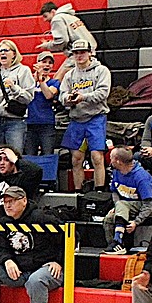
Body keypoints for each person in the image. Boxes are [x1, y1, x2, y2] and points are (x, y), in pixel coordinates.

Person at [59, 39, 112, 192]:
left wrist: (83, 97)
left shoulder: (101, 71)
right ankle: (78, 191)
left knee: (97, 156)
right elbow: (62, 96)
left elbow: (103, 93)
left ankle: (99, 190)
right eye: (76, 53)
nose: (79, 55)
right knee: (76, 158)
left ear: (90, 53)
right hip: (76, 120)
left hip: (96, 118)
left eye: (82, 52)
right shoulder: (69, 75)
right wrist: (68, 99)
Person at [103, 147, 152, 255]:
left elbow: (148, 205)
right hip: (126, 206)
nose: (109, 160)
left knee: (121, 205)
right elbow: (114, 192)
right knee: (109, 219)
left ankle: (118, 240)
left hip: (151, 208)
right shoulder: (116, 172)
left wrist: (136, 221)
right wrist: (118, 207)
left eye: (111, 158)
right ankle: (116, 246)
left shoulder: (141, 177)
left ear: (118, 161)